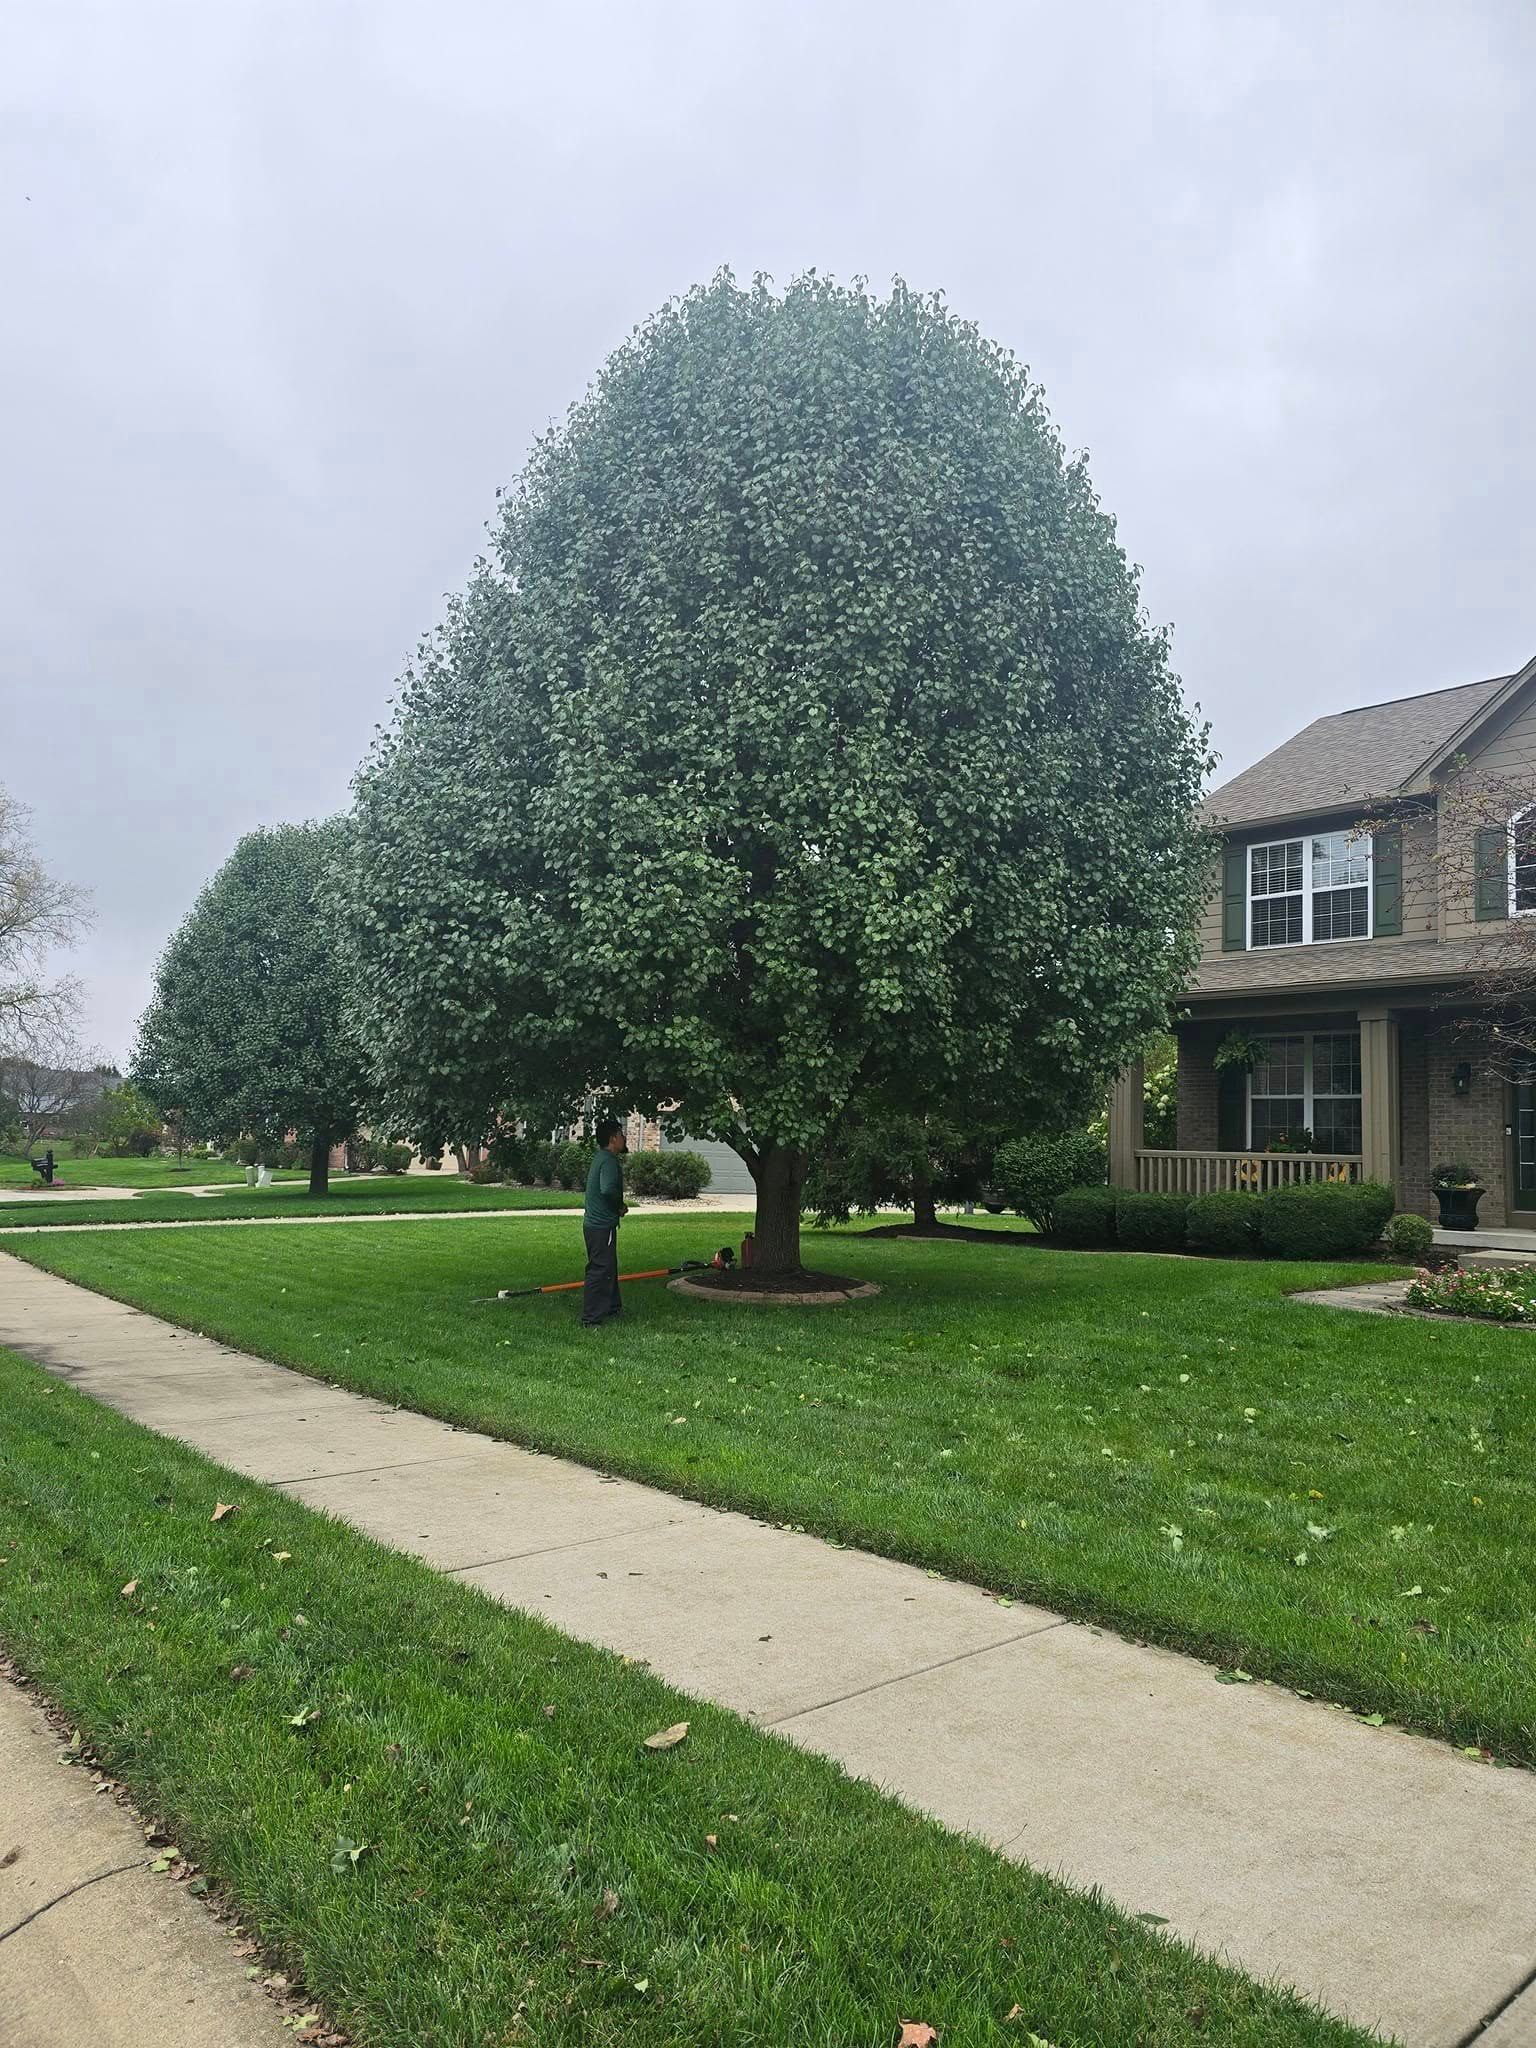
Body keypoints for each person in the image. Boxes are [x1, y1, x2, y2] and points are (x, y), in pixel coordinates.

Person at [580, 1118, 628, 1326]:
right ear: (613, 1139)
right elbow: (608, 1189)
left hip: (595, 1224)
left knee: (608, 1266)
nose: (624, 1138)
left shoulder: (601, 1157)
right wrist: (619, 1206)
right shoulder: (608, 1160)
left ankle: (612, 1307)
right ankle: (591, 1319)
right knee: (600, 1269)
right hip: (600, 1225)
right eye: (621, 1134)